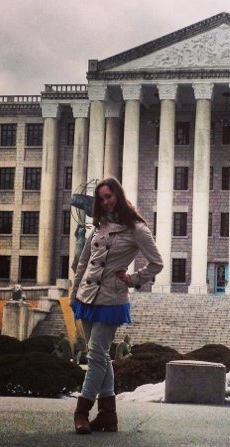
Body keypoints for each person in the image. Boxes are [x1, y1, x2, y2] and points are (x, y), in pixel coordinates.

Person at [69, 178, 163, 434]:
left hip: (111, 299)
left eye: (109, 196)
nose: (105, 202)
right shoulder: (98, 226)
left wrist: (133, 279)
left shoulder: (136, 229)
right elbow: (83, 262)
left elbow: (157, 263)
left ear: (118, 196)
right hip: (87, 297)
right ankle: (108, 415)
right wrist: (74, 294)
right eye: (101, 199)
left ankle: (81, 411)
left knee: (95, 356)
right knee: (100, 356)